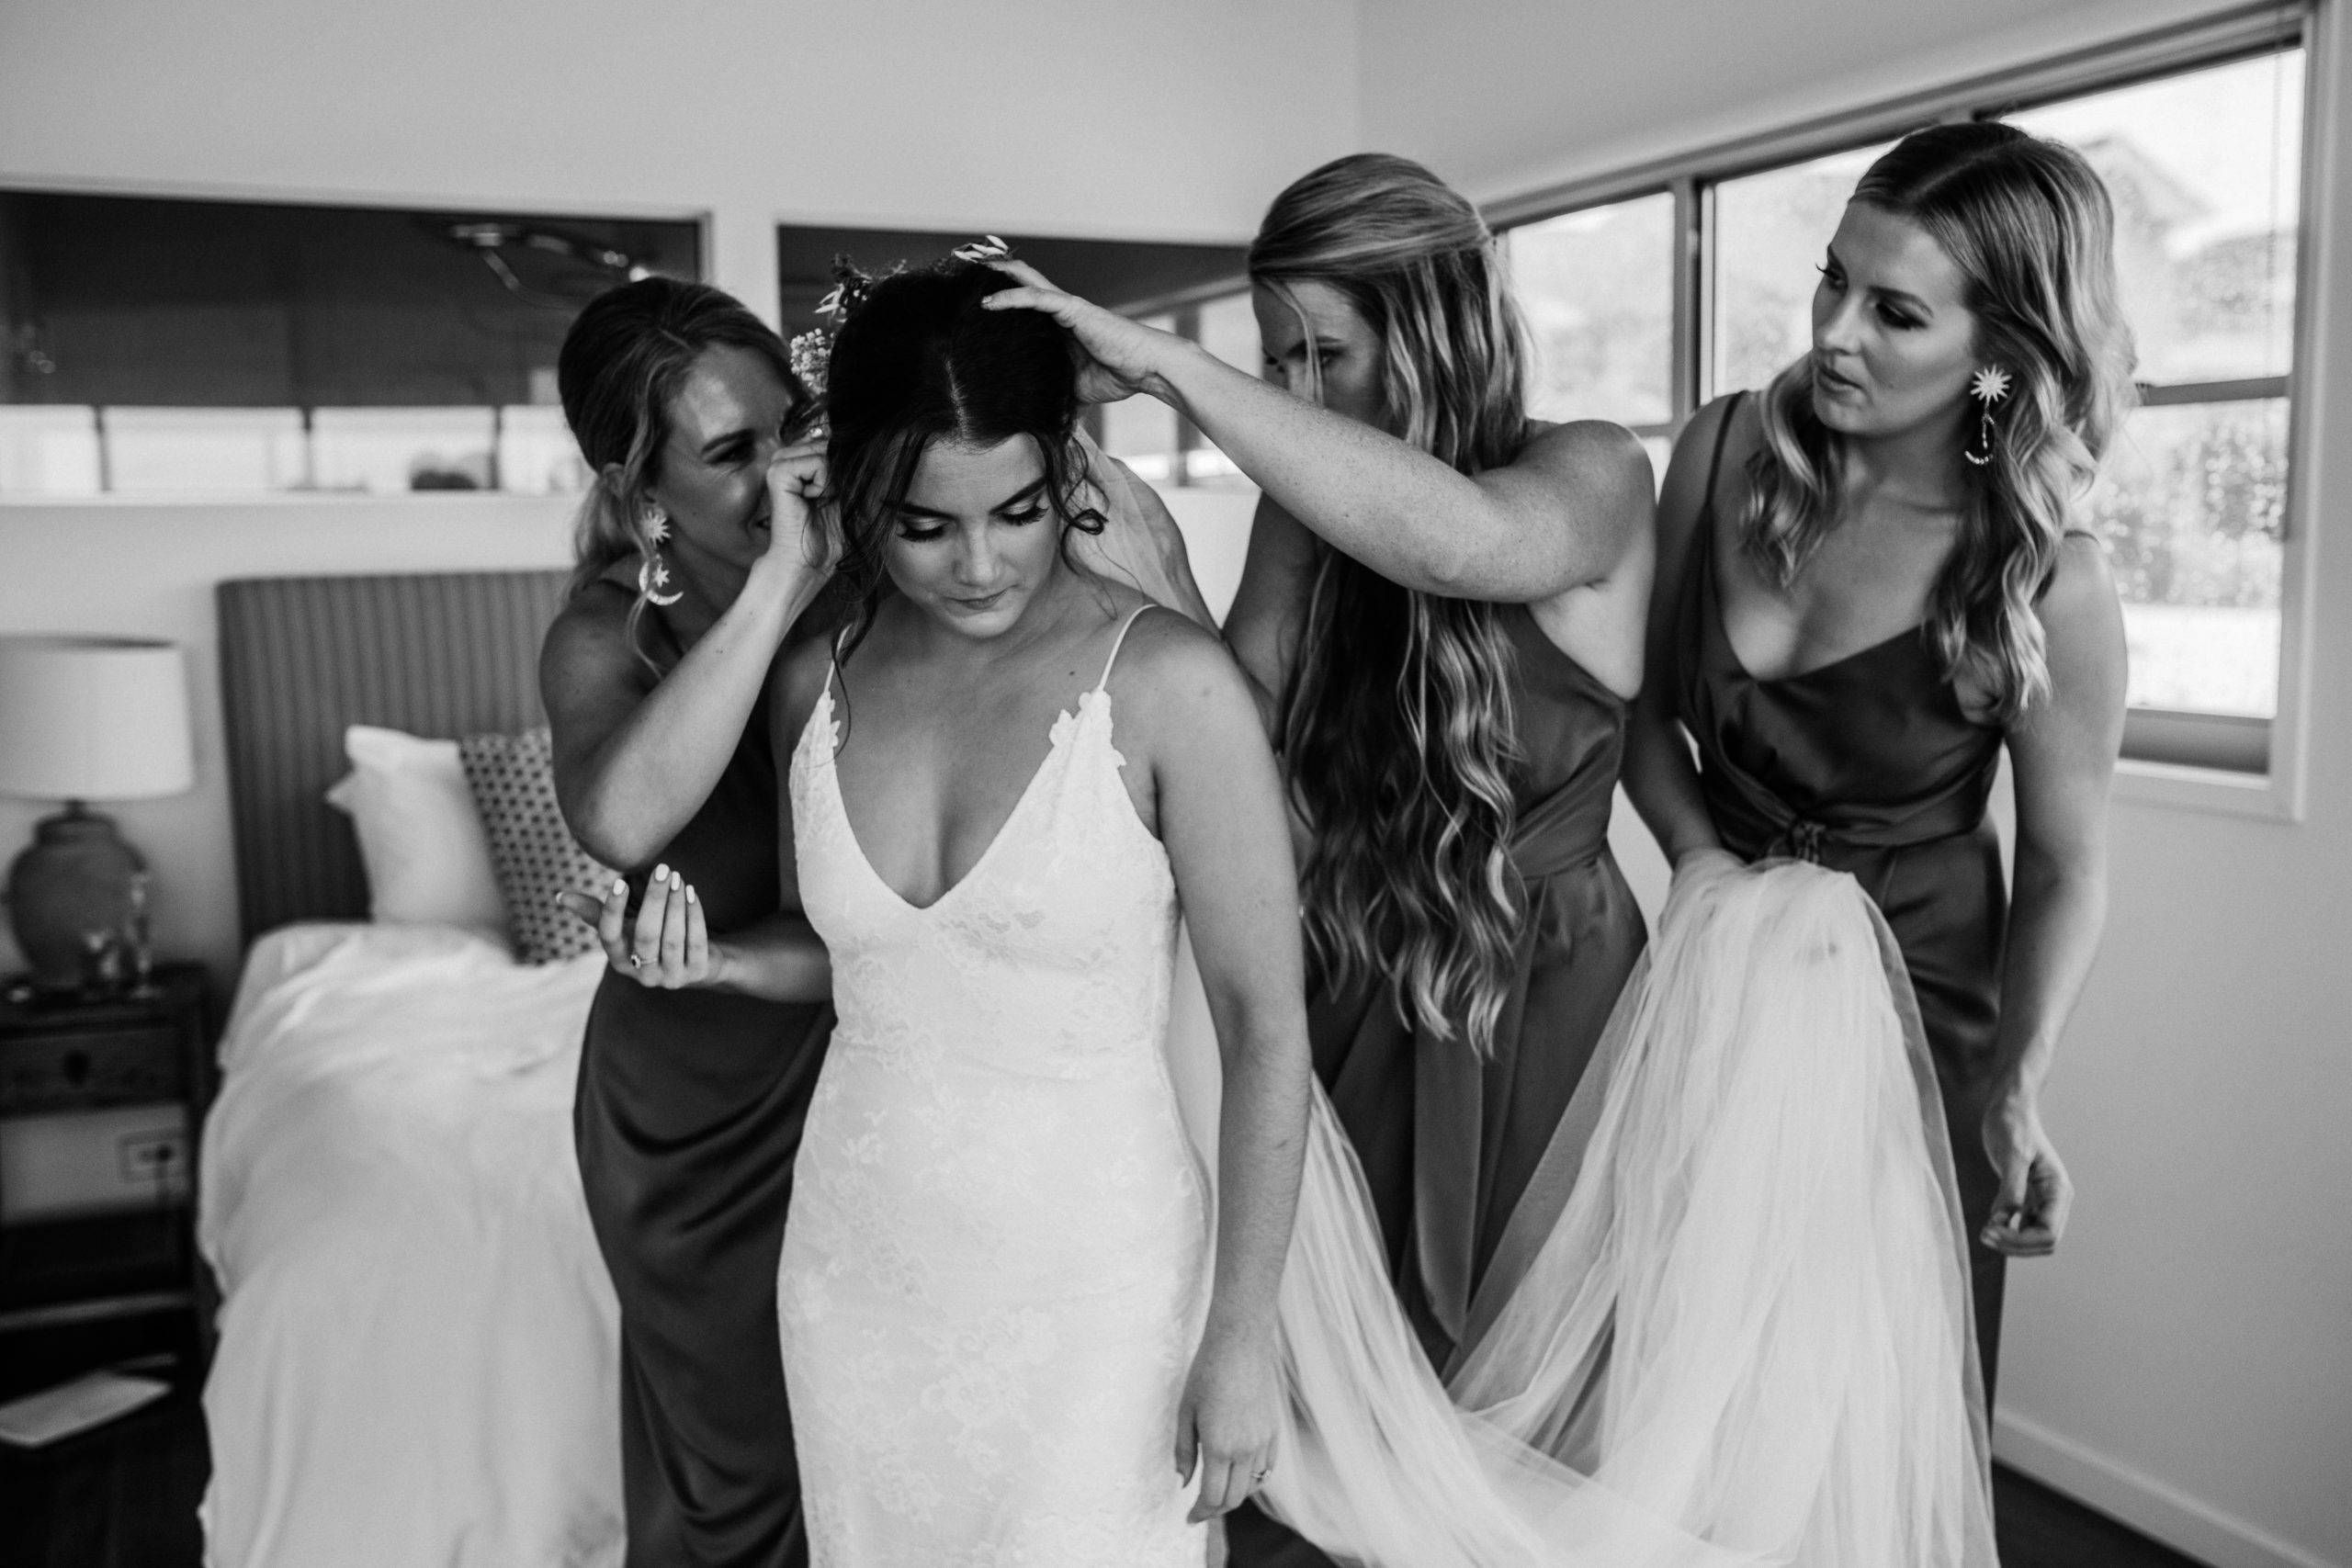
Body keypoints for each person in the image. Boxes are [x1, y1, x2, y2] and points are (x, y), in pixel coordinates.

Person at [765, 257, 1312, 1562]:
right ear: (855, 501)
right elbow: (856, 961)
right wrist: (703, 965)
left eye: (1016, 511)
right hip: (857, 1275)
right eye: (922, 525)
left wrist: (1243, 1329)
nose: (978, 565)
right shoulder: (811, 686)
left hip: (1099, 1292)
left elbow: (1264, 1027)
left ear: (1066, 466)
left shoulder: (1172, 688)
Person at [1621, 120, 2133, 1398]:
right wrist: (1702, 876)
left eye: (1897, 313)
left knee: (1874, 1391)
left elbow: (2070, 865)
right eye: (1832, 280)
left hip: (1919, 1004)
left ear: (1999, 352)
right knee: (1692, 1362)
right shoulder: (1724, 447)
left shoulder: (2045, 578)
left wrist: (2017, 1089)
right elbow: (1639, 715)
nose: (1835, 333)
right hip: (1719, 966)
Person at [542, 276, 839, 1567]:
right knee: (739, 1479)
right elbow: (618, 818)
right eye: (733, 453)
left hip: (863, 1068)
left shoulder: (910, 583)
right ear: (644, 491)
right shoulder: (607, 634)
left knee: (866, 1453)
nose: (787, 471)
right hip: (690, 1117)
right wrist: (781, 581)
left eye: (794, 424)